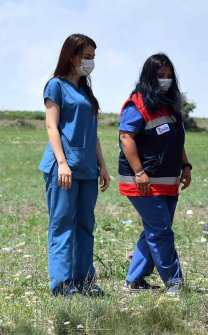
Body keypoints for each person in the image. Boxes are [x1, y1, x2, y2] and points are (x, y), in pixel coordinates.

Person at [38, 33, 110, 297]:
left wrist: (102, 165)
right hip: (63, 169)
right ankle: (63, 284)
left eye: (93, 57)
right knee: (63, 225)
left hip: (87, 169)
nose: (90, 62)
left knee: (84, 226)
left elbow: (92, 132)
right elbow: (51, 126)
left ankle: (85, 281)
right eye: (86, 57)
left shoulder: (85, 91)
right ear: (71, 56)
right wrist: (62, 163)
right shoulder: (55, 86)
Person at [117, 53, 192, 295]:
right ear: (150, 76)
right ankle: (174, 282)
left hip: (168, 180)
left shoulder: (170, 105)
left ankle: (134, 280)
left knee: (155, 230)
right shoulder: (136, 104)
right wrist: (139, 172)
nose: (166, 81)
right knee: (161, 232)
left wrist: (186, 166)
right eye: (161, 76)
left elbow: (176, 140)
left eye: (169, 76)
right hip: (143, 182)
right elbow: (126, 137)